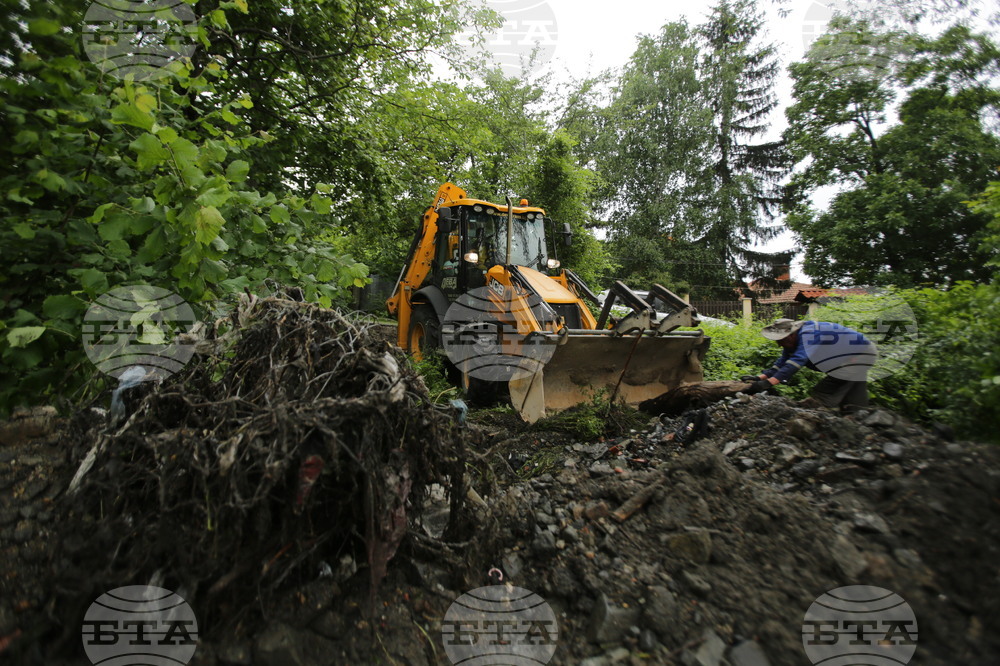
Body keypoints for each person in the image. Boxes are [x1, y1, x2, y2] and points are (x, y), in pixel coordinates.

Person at [741, 318, 878, 410]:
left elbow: (797, 361)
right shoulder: (792, 342)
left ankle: (819, 413)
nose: (779, 344)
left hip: (860, 355)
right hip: (854, 355)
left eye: (781, 340)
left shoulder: (810, 333)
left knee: (824, 391)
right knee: (854, 393)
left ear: (791, 334)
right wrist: (760, 378)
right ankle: (859, 415)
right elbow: (782, 363)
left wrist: (770, 383)